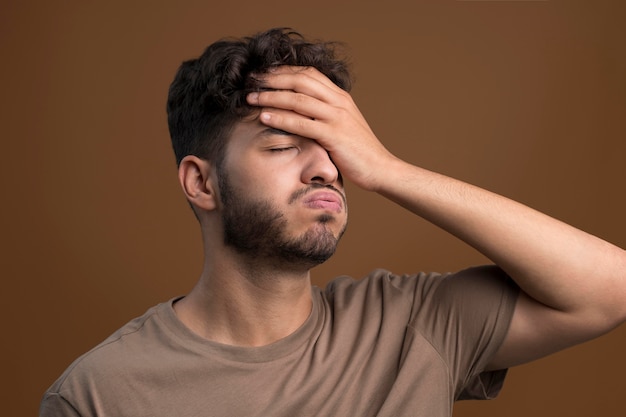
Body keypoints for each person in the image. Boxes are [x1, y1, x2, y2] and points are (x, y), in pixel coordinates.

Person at [40, 27, 626, 417]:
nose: (327, 168)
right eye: (282, 146)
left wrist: (387, 170)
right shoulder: (99, 394)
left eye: (336, 148)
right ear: (201, 182)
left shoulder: (412, 325)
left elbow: (610, 288)